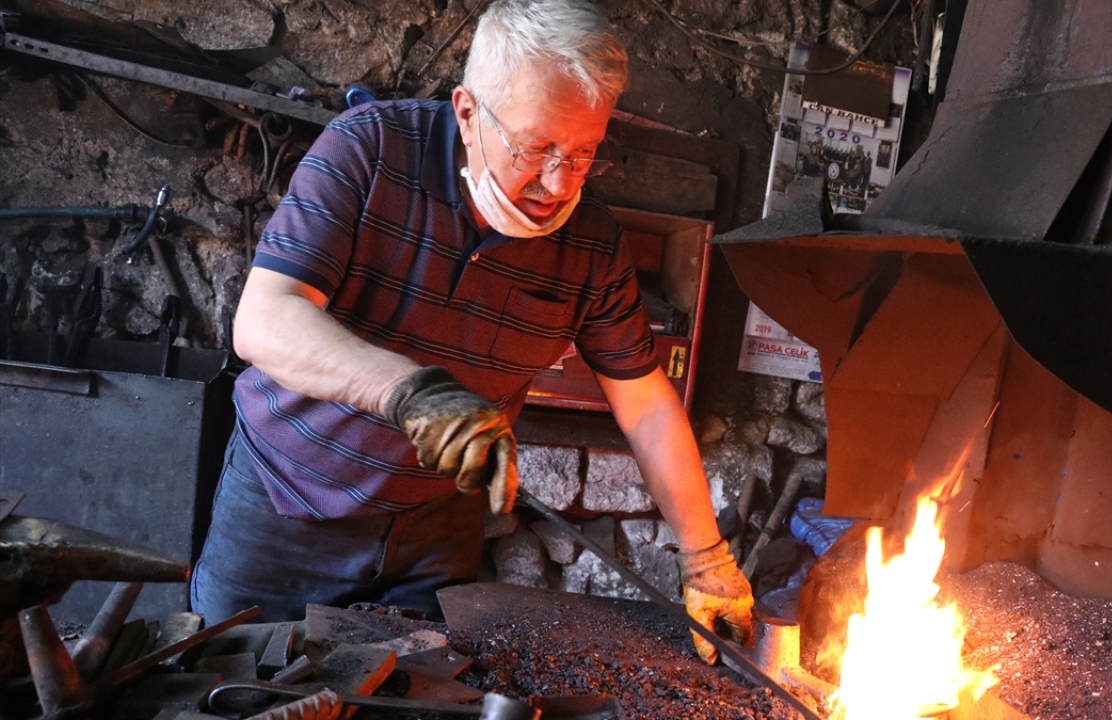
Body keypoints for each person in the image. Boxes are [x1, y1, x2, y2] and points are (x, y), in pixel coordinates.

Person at [190, 0, 753, 664]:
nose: (558, 183)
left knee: (418, 694)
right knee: (228, 682)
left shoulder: (591, 246)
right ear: (466, 111)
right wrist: (411, 392)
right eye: (536, 147)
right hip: (285, 506)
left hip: (436, 530)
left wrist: (706, 557)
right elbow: (265, 319)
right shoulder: (369, 149)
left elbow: (647, 404)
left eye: (584, 153)